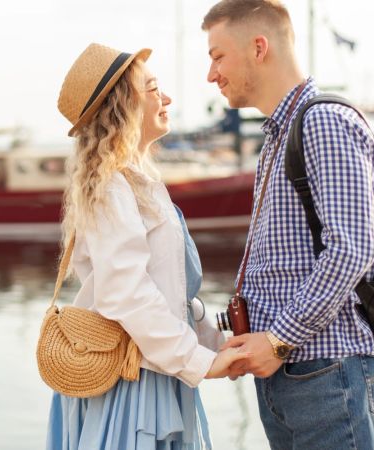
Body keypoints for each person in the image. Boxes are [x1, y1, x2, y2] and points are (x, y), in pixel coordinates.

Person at [201, 1, 374, 449]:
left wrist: (280, 339)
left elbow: (352, 250)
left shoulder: (322, 121)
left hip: (326, 373)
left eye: (217, 56)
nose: (211, 74)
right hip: (294, 375)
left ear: (259, 48)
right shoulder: (279, 134)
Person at [46, 43, 248, 450]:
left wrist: (214, 344)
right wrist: (200, 362)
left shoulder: (134, 183)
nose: (167, 98)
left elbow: (169, 292)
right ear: (123, 107)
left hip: (154, 369)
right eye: (153, 88)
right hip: (131, 383)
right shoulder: (113, 188)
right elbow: (127, 294)